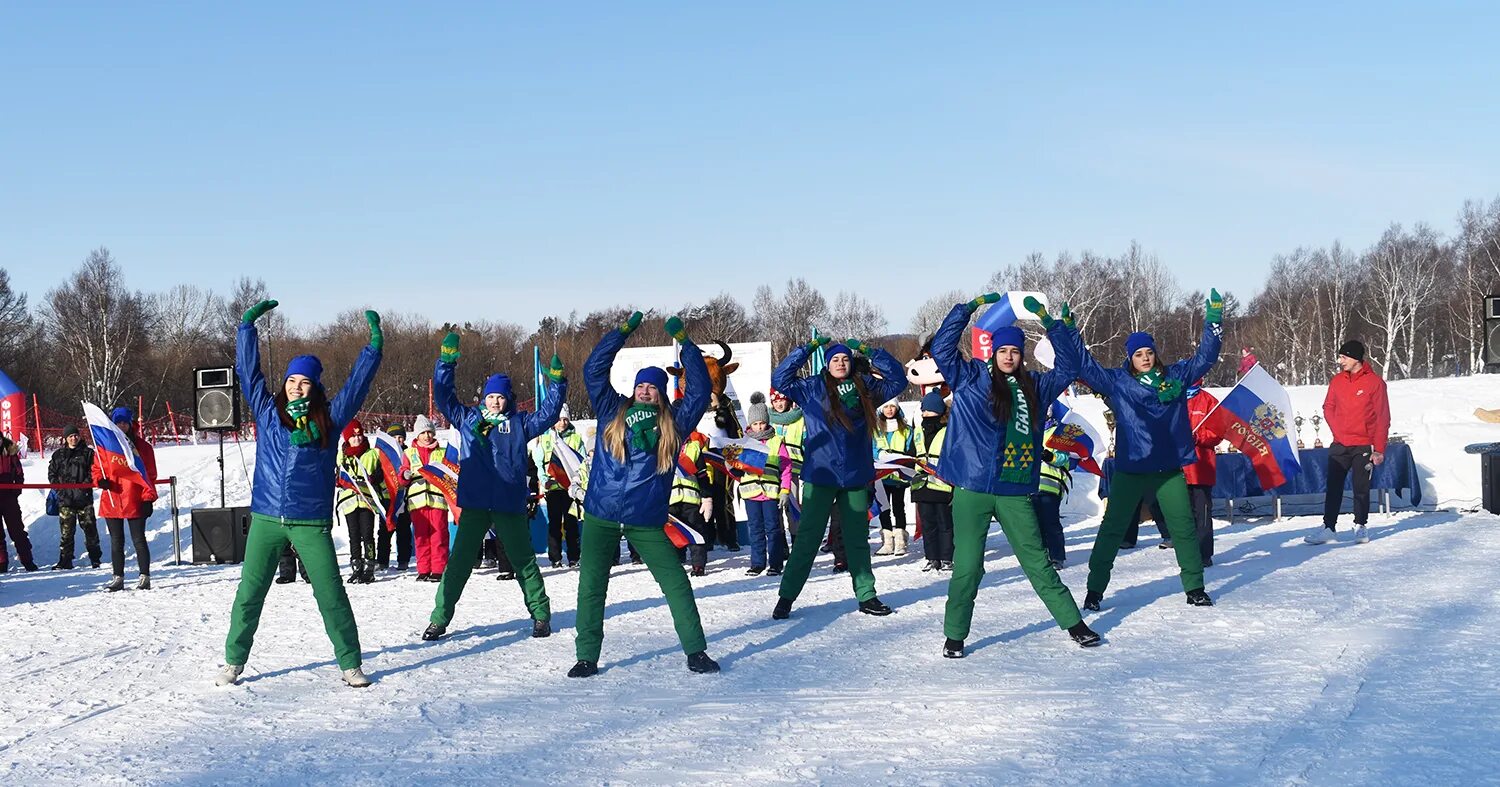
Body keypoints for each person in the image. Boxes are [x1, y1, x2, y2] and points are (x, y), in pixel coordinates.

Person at [216, 299, 382, 689]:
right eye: (291, 380)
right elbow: (248, 372)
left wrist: (373, 347)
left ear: (315, 386)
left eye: (304, 382)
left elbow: (357, 385)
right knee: (249, 593)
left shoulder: (331, 419)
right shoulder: (268, 413)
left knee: (330, 594)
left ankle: (350, 663)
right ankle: (233, 661)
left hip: (310, 522)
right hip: (266, 519)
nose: (296, 387)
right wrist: (246, 328)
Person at [931, 294, 1100, 658]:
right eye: (1004, 350)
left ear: (1021, 355)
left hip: (1013, 488)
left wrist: (1055, 327)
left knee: (1037, 562)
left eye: (1016, 352)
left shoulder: (1035, 387)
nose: (1009, 356)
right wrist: (966, 309)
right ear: (993, 352)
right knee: (968, 567)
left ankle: (1075, 623)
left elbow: (1069, 368)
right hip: (972, 487)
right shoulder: (970, 377)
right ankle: (955, 634)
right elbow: (942, 348)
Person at [568, 312, 719, 677]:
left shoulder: (674, 422)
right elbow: (593, 370)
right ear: (633, 389)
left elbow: (699, 391)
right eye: (641, 385)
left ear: (661, 392)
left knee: (676, 583)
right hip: (601, 513)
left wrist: (686, 344)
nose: (645, 390)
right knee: (592, 587)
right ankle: (586, 656)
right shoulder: (612, 410)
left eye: (652, 386)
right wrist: (620, 333)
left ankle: (696, 651)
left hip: (645, 519)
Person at [1074, 289, 1225, 612]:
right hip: (1132, 469)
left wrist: (1213, 320)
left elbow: (1206, 358)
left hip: (1168, 469)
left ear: (1155, 354)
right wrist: (1064, 329)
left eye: (1149, 351)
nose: (1145, 357)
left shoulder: (1176, 377)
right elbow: (1085, 366)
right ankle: (1094, 590)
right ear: (1130, 358)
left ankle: (1195, 587)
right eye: (1138, 353)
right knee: (1113, 530)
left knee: (1183, 528)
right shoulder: (1118, 382)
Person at [423, 328, 565, 641]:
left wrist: (558, 383)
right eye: (491, 396)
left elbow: (550, 412)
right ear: (484, 398)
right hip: (475, 503)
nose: (495, 401)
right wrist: (446, 362)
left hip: (507, 504)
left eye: (500, 396)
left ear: (509, 399)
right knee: (459, 564)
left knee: (524, 561)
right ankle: (439, 619)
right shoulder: (468, 418)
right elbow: (445, 397)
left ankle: (541, 614)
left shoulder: (521, 423)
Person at [770, 335, 907, 620]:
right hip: (821, 475)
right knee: (808, 538)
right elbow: (780, 378)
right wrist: (806, 349)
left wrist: (870, 352)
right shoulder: (812, 388)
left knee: (857, 539)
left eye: (845, 358)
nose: (841, 363)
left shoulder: (865, 387)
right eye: (835, 359)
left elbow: (897, 379)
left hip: (856, 474)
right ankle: (786, 597)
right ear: (827, 364)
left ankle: (867, 595)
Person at [1306, 340, 1390, 546]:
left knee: (1360, 487)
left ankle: (1360, 525)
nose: (1340, 361)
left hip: (1364, 444)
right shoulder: (1337, 381)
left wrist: (1379, 449)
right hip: (1340, 443)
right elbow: (1328, 407)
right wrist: (1339, 431)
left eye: (1344, 357)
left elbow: (1382, 417)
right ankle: (1329, 528)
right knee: (1333, 486)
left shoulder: (1375, 383)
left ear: (1355, 358)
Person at [93, 408, 158, 591]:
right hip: (112, 498)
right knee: (116, 541)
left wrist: (148, 498)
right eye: (118, 422)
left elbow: (149, 475)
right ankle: (118, 577)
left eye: (124, 422)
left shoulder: (143, 448)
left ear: (130, 424)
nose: (121, 426)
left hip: (135, 498)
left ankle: (144, 576)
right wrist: (100, 481)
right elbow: (97, 469)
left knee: (138, 539)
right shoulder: (104, 447)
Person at [739, 393, 793, 576]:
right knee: (755, 529)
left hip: (771, 493)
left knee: (773, 529)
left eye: (762, 423)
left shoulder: (776, 441)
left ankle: (776, 563)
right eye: (755, 423)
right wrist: (731, 464)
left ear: (767, 422)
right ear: (750, 424)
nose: (759, 427)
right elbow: (736, 471)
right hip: (750, 493)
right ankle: (757, 563)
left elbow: (786, 468)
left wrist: (785, 490)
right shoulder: (744, 443)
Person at [535, 405, 586, 567]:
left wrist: (579, 482)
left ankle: (574, 557)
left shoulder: (576, 438)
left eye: (565, 419)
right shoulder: (545, 439)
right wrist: (544, 480)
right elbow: (538, 463)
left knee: (571, 524)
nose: (562, 423)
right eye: (559, 419)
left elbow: (583, 462)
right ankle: (555, 558)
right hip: (554, 488)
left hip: (571, 489)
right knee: (555, 524)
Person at [910, 392, 954, 572]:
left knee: (945, 523)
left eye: (930, 410)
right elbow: (912, 453)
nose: (926, 413)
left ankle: (946, 558)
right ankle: (932, 557)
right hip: (921, 485)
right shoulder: (918, 431)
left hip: (942, 485)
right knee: (928, 524)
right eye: (924, 410)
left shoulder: (948, 430)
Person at [335, 419, 383, 585]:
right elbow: (337, 474)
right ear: (347, 438)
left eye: (359, 435)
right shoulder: (342, 455)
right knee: (353, 535)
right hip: (349, 500)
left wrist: (373, 478)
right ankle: (356, 565)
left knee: (367, 534)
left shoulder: (372, 454)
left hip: (366, 501)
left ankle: (370, 566)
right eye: (353, 436)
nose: (357, 439)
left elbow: (380, 474)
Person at [1183, 381, 1226, 565]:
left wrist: (1198, 436)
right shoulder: (1172, 398)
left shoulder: (1208, 401)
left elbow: (1218, 431)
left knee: (1202, 512)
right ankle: (1186, 552)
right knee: (1182, 513)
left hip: (1201, 467)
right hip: (1178, 468)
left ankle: (1204, 554)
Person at [404, 415, 451, 581]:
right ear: (417, 435)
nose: (427, 436)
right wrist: (405, 474)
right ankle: (423, 569)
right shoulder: (409, 453)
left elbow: (451, 472)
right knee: (421, 536)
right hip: (417, 502)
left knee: (439, 535)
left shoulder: (442, 452)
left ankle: (438, 569)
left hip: (438, 500)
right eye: (423, 433)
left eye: (429, 432)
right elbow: (401, 475)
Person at [48, 424, 101, 570]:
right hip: (65, 500)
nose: (74, 438)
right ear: (66, 438)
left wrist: (83, 486)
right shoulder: (58, 455)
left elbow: (94, 472)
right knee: (66, 532)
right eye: (70, 436)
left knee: (90, 530)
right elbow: (52, 474)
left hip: (84, 499)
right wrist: (60, 491)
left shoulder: (88, 453)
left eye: (76, 435)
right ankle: (65, 560)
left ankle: (95, 558)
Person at [1033, 407, 1077, 570]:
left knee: (1050, 522)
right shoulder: (1028, 432)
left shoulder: (1057, 432)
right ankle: (1041, 556)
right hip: (1031, 485)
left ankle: (1057, 556)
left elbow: (1064, 458)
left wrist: (1049, 456)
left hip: (1050, 485)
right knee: (1034, 524)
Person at [872, 399, 915, 556]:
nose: (889, 410)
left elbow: (910, 449)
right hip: (881, 475)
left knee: (898, 507)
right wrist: (881, 455)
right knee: (884, 507)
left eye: (892, 407)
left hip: (898, 475)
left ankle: (900, 540)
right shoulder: (875, 429)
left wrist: (900, 460)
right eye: (886, 407)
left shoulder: (906, 430)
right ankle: (887, 540)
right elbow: (872, 448)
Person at [376, 423, 414, 572]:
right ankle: (382, 560)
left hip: (404, 498)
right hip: (387, 498)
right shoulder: (383, 456)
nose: (398, 440)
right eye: (394, 438)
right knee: (385, 531)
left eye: (400, 437)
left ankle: (403, 559)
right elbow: (377, 475)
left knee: (404, 530)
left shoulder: (408, 454)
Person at [0, 432, 38, 573]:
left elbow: (19, 473)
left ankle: (27, 560)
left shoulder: (10, 453)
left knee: (17, 532)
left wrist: (16, 490)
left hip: (9, 498)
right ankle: (2, 563)